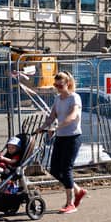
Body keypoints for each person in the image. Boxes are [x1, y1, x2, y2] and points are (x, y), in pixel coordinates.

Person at [38, 71, 87, 214]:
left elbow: (72, 116)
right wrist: (42, 127)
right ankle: (78, 191)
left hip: (73, 137)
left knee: (66, 169)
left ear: (68, 84)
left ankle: (70, 203)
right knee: (54, 169)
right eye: (55, 85)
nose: (58, 87)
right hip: (60, 137)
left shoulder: (75, 98)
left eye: (60, 85)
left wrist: (56, 127)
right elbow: (51, 116)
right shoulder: (57, 99)